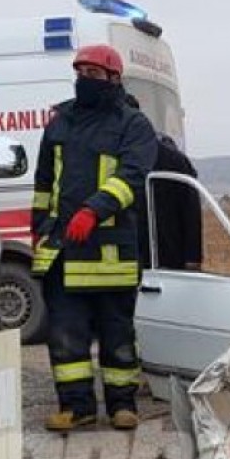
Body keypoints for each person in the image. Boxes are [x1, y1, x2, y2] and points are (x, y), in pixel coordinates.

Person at [31, 45, 157, 432]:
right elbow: (43, 183)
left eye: (94, 73)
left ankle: (122, 404)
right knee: (66, 339)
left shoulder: (132, 124)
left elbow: (132, 176)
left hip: (109, 251)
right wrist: (40, 229)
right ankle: (76, 407)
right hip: (63, 250)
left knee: (117, 334)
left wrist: (93, 209)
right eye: (80, 70)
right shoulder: (59, 121)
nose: (85, 78)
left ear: (114, 79)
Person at [124, 95, 203, 271]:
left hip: (164, 263)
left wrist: (192, 260)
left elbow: (190, 212)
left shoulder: (173, 161)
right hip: (135, 262)